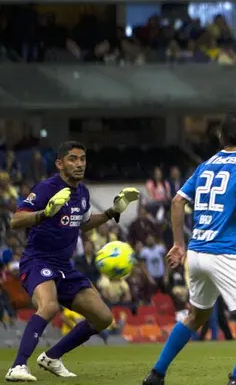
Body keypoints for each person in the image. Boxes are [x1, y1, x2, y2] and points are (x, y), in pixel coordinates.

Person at [143, 111, 236, 385]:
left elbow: (177, 202)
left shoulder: (205, 165)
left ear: (221, 136)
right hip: (222, 252)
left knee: (196, 316)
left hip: (197, 252)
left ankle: (156, 375)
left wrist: (179, 244)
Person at [5, 141, 140, 382]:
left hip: (65, 267)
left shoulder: (83, 193)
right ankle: (17, 366)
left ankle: (52, 356)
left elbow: (84, 223)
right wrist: (44, 213)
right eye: (72, 159)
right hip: (37, 260)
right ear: (59, 163)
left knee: (103, 318)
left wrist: (112, 211)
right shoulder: (47, 188)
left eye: (82, 159)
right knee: (49, 306)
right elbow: (16, 220)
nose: (79, 164)